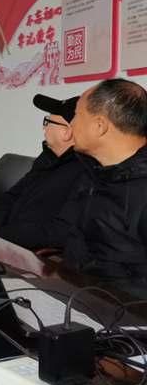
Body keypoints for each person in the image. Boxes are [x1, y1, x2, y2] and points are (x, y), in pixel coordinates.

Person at [53, 79, 147, 288]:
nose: (71, 124)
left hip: (119, 305)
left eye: (76, 115)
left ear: (99, 126)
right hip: (75, 292)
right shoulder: (92, 173)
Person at [0, 94, 84, 249]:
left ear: (67, 131)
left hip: (33, 253)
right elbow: (11, 196)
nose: (44, 128)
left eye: (47, 122)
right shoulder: (47, 157)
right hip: (4, 242)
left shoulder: (85, 171)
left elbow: (58, 232)